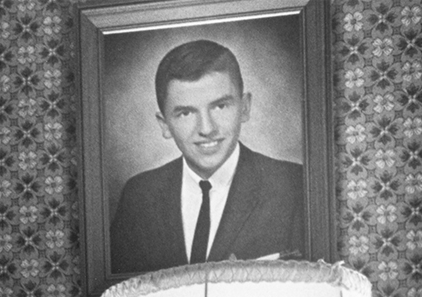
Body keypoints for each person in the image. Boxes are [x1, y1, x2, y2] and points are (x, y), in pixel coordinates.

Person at [108, 39, 306, 276]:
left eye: (220, 106)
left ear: (244, 107)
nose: (206, 128)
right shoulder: (139, 196)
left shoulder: (295, 186)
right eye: (185, 113)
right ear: (164, 125)